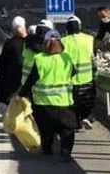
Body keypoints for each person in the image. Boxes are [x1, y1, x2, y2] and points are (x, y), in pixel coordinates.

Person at [19, 30, 77, 162]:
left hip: (43, 103)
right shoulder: (66, 58)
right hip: (64, 102)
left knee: (46, 128)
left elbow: (31, 80)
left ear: (45, 43)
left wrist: (21, 94)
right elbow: (73, 73)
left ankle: (47, 149)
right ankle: (65, 151)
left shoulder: (39, 59)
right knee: (67, 129)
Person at [62, 15, 96, 129]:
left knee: (73, 103)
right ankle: (87, 118)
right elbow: (93, 58)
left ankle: (76, 123)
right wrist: (94, 73)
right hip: (87, 78)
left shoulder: (63, 41)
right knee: (88, 100)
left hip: (70, 80)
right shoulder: (89, 39)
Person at [0, 16, 26, 113]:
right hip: (26, 77)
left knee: (7, 98)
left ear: (13, 29)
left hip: (11, 78)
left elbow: (2, 59)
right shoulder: (29, 42)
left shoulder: (10, 43)